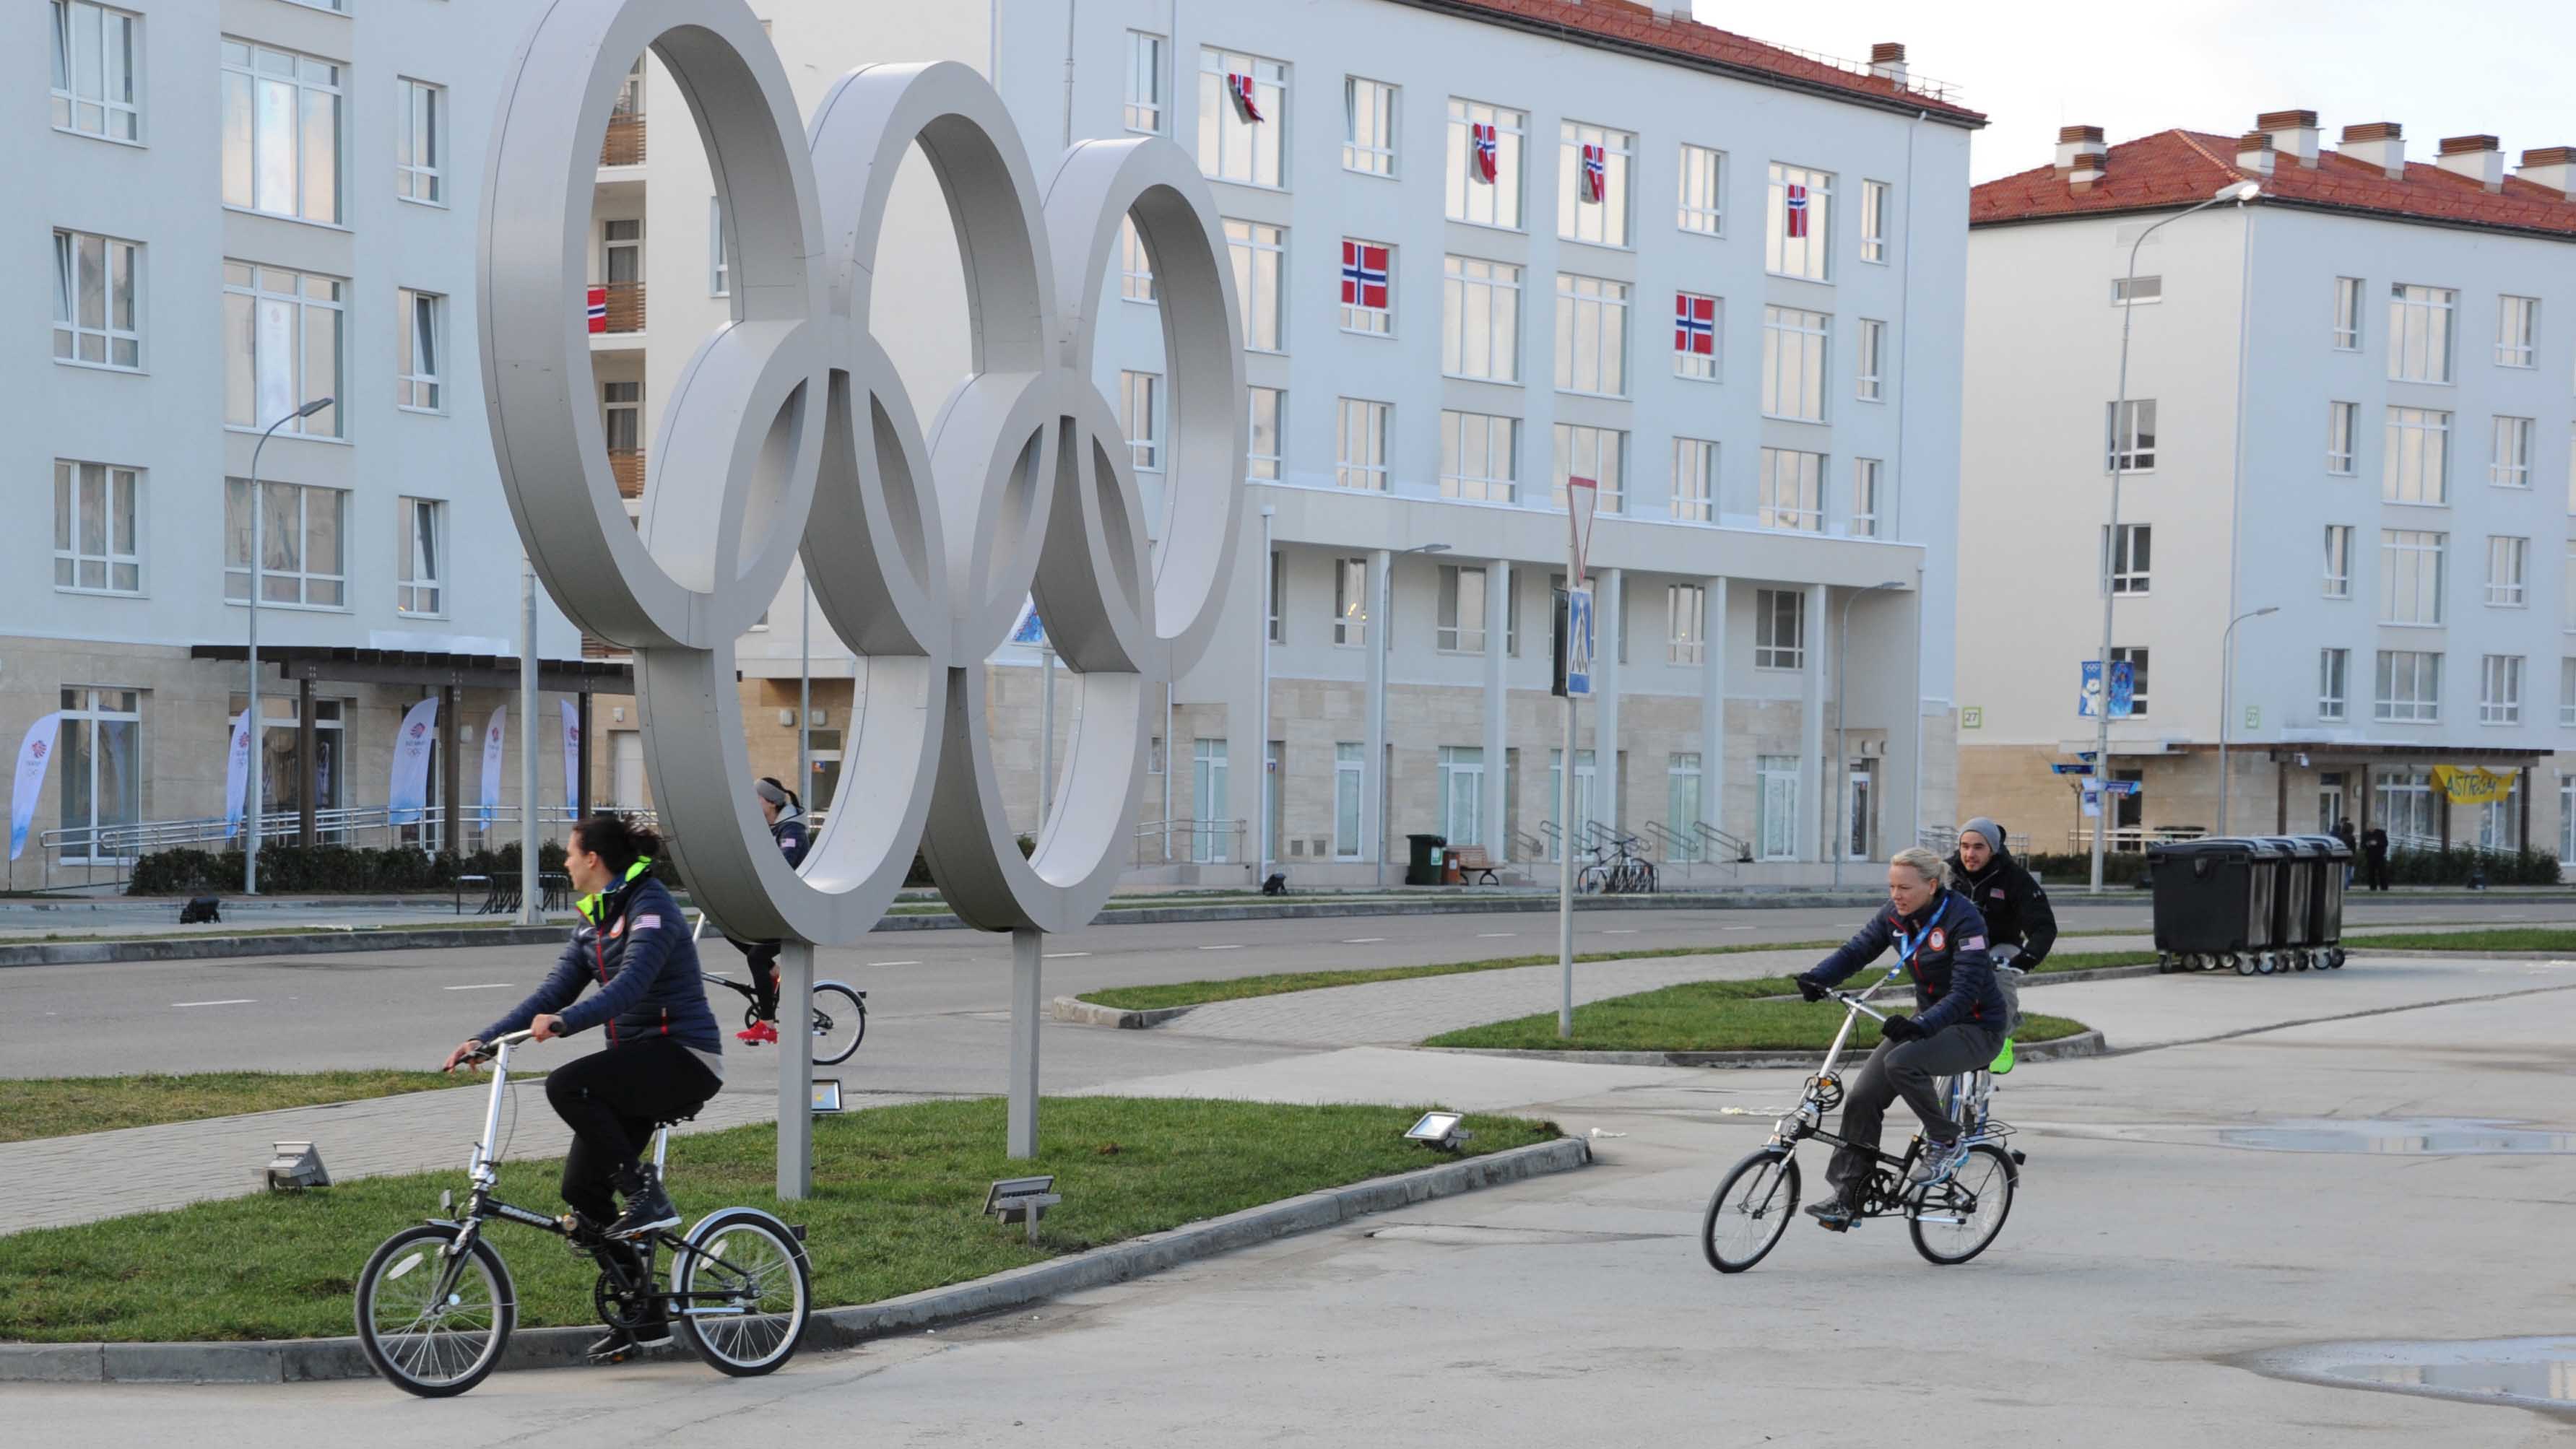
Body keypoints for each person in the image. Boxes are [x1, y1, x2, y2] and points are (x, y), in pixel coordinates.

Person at [442, 812, 722, 1358]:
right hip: (638, 1067)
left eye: (569, 854)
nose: (565, 864)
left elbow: (629, 986)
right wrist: (485, 1038)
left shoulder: (650, 907)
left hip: (684, 1058)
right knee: (582, 1192)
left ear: (593, 859)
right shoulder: (594, 920)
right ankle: (644, 1315)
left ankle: (647, 1193)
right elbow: (551, 993)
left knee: (567, 1084)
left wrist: (567, 1023)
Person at [1793, 846, 2011, 1232]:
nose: (1896, 896)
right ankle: (1849, 1196)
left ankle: (1947, 1141)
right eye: (1892, 887)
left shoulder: (1965, 920)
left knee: (1902, 1062)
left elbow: (1964, 992)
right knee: (1862, 1098)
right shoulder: (1894, 915)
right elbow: (1857, 950)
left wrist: (1922, 1025)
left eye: (1905, 888)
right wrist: (1819, 977)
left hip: (1977, 1027)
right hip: (1927, 1021)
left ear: (1931, 885)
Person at [730, 778, 812, 1043]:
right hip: (778, 910)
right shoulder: (773, 827)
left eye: (757, 799)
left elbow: (781, 870)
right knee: (730, 926)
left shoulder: (792, 832)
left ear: (771, 802)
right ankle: (774, 972)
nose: (754, 804)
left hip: (795, 913)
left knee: (755, 957)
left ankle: (767, 1023)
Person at [2362, 824, 2391, 892]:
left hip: (2380, 856)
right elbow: (2362, 845)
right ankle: (2373, 888)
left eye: (2372, 828)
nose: (2370, 830)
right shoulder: (2366, 834)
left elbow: (2385, 843)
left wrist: (2377, 843)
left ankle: (2384, 888)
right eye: (2369, 828)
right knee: (2371, 873)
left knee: (2382, 872)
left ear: (2375, 827)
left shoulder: (2381, 833)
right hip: (2370, 856)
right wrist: (2368, 844)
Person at [2333, 818, 2358, 887]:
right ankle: (2346, 886)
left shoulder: (2340, 836)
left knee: (2344, 872)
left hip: (2341, 856)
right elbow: (2354, 849)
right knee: (2348, 873)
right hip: (2349, 856)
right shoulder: (2352, 837)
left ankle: (2343, 885)